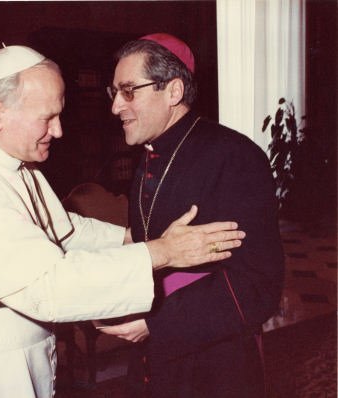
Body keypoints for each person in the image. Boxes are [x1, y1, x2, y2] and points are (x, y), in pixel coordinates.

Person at [0, 45, 246, 398]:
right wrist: (161, 253)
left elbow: (62, 229)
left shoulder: (2, 159)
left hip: (18, 356)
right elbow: (48, 286)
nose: (59, 130)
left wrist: (132, 238)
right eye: (47, 117)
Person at [99, 33, 285, 398]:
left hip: (215, 363)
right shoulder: (151, 153)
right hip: (154, 355)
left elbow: (258, 284)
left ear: (173, 91)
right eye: (114, 93)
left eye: (129, 90)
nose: (116, 106)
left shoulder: (234, 156)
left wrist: (157, 322)